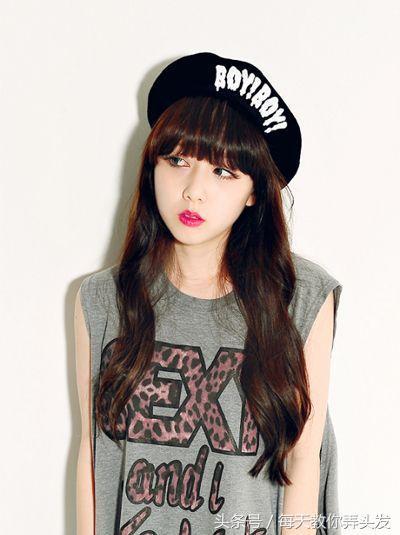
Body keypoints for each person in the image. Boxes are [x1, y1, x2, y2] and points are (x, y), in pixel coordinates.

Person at [74, 52, 343, 535]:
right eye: (177, 161)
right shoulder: (102, 299)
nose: (193, 190)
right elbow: (92, 454)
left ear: (254, 191)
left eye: (223, 172)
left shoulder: (301, 298)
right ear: (152, 166)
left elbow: (305, 462)